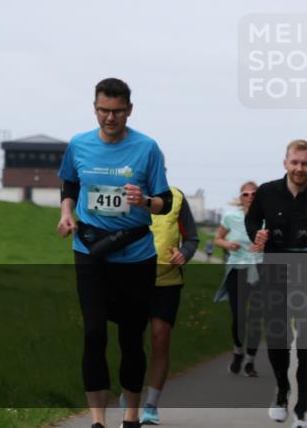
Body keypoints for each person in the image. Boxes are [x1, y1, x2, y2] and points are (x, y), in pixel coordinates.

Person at [56, 77, 173, 428]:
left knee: (130, 337)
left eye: (117, 112)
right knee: (94, 333)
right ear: (95, 108)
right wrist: (66, 213)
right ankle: (97, 421)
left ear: (129, 111)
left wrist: (146, 201)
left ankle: (132, 416)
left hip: (135, 255)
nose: (110, 118)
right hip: (90, 250)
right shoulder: (78, 145)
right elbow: (70, 183)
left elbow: (164, 202)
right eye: (104, 111)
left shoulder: (147, 148)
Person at [245, 139, 307, 426]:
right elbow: (252, 220)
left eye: (305, 164)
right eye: (295, 162)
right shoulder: (268, 192)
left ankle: (303, 407)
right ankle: (282, 389)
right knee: (279, 340)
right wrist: (256, 235)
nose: (299, 168)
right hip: (276, 270)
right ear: (285, 163)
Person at [137, 186, 199, 425]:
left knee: (160, 339)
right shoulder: (128, 194)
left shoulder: (178, 198)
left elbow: (192, 238)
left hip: (167, 282)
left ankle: (151, 404)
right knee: (133, 341)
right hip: (132, 279)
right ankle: (131, 391)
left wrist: (184, 253)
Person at [212, 181, 264, 378]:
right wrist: (227, 243)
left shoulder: (267, 218)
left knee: (256, 318)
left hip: (260, 270)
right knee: (239, 316)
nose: (250, 197)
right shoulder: (230, 217)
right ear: (240, 197)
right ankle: (238, 352)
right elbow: (217, 238)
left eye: (254, 194)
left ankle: (250, 362)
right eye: (246, 194)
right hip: (237, 270)